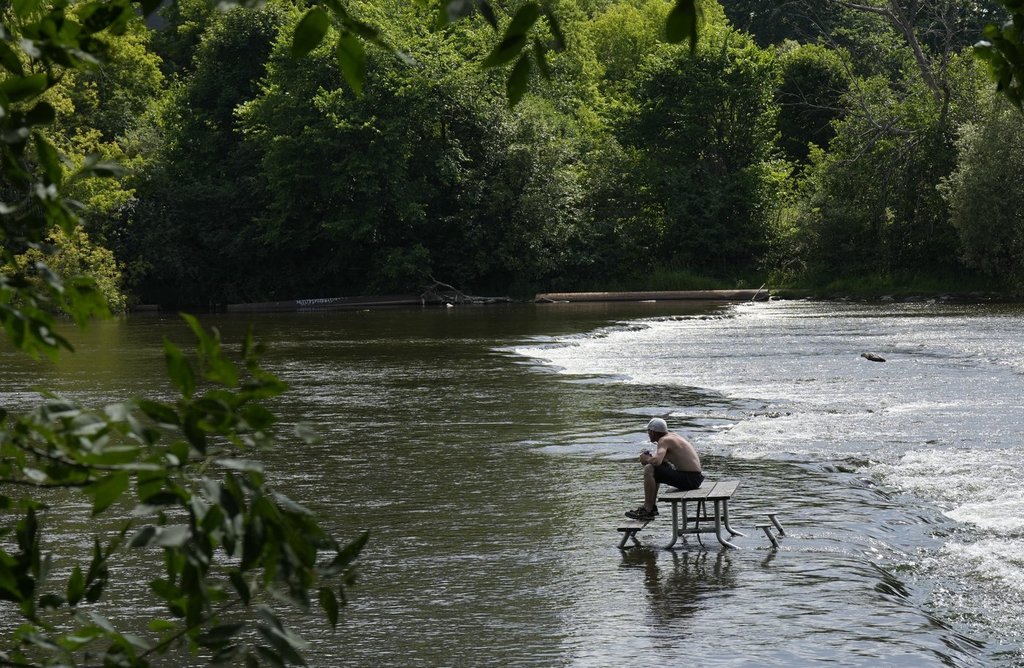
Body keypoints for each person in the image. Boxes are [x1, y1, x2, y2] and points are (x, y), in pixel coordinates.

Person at [625, 417, 704, 521]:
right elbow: (663, 460)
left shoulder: (663, 440)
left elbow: (656, 461)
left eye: (648, 431)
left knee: (650, 468)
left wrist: (646, 458)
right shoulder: (672, 436)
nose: (648, 434)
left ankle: (648, 509)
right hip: (695, 478)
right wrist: (651, 458)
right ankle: (651, 507)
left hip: (690, 480)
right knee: (655, 469)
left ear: (653, 432)